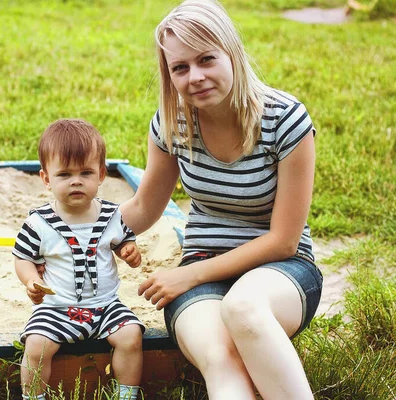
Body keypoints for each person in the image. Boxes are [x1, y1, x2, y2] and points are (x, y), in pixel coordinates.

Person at [119, 1, 323, 398]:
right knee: (220, 355)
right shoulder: (172, 123)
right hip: (201, 264)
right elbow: (144, 208)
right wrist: (78, 226)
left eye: (206, 59)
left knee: (243, 309)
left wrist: (187, 275)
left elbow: (283, 240)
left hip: (282, 269)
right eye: (180, 68)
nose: (195, 77)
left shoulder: (286, 119)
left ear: (232, 52)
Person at [13, 118, 145, 400]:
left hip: (106, 305)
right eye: (64, 175)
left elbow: (124, 241)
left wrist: (130, 252)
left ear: (101, 174)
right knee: (36, 346)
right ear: (46, 178)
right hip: (57, 308)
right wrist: (32, 280)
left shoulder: (112, 215)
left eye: (86, 172)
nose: (76, 181)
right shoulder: (39, 223)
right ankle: (33, 397)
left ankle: (125, 394)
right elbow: (23, 258)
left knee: (131, 336)